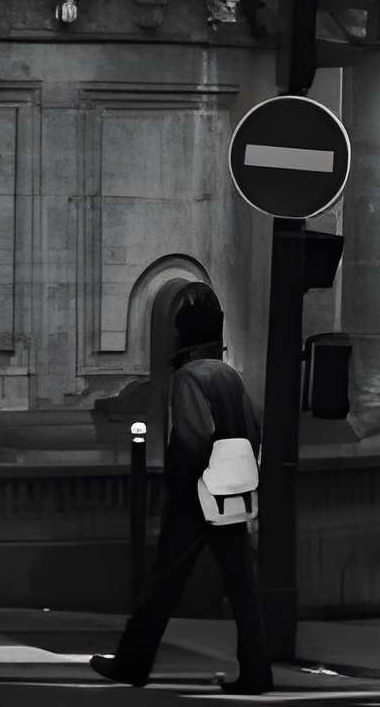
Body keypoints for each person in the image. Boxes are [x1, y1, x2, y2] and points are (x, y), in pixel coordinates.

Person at [90, 286, 272, 695]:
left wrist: (179, 490)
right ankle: (257, 671)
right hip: (232, 496)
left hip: (196, 497)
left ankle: (133, 663)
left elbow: (191, 440)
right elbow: (252, 430)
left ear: (184, 340)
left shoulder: (188, 377)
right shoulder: (229, 375)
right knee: (243, 587)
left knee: (162, 584)